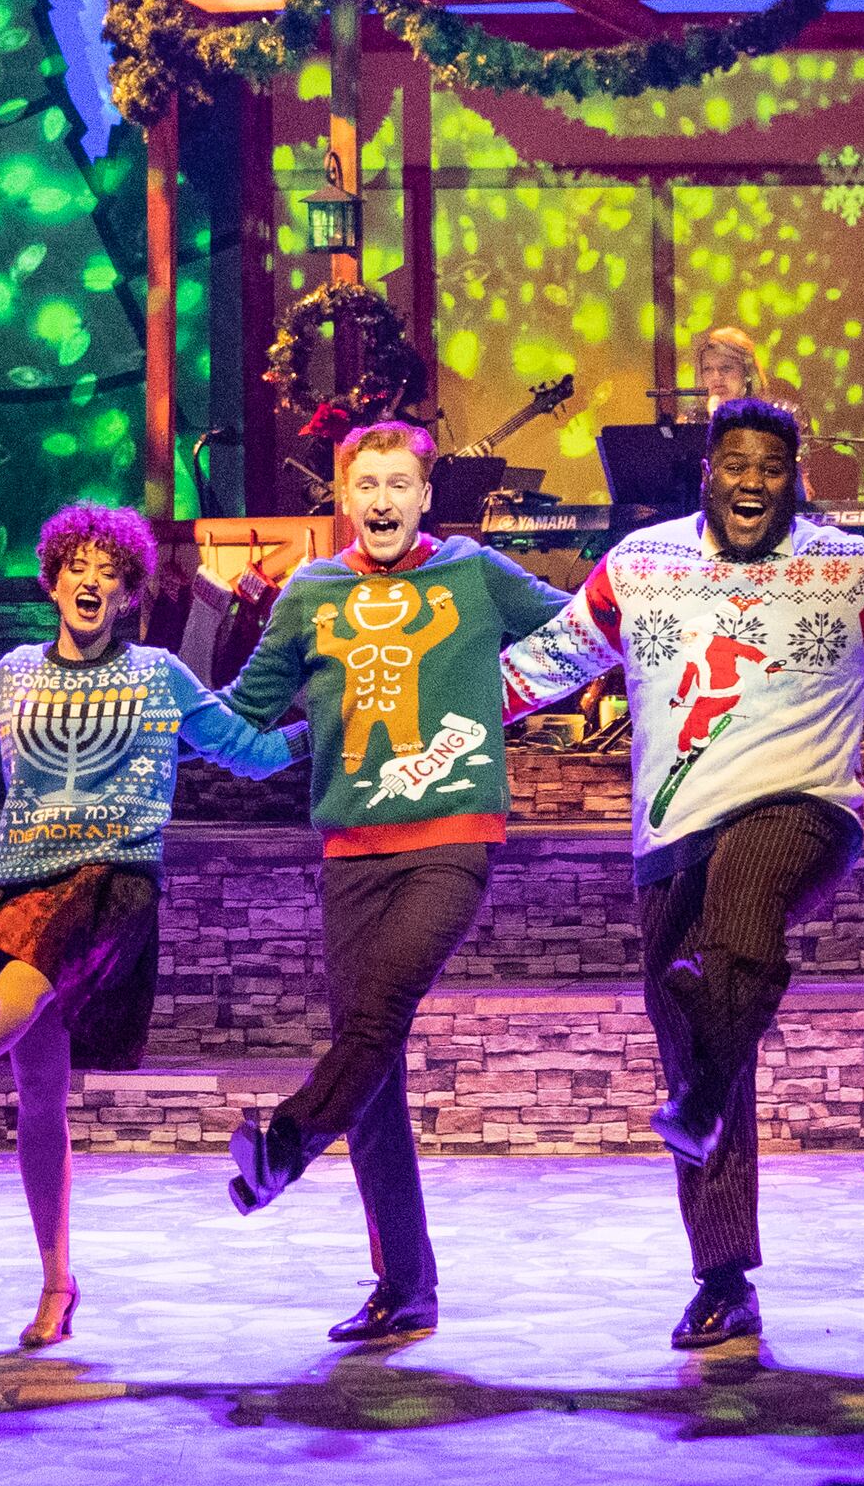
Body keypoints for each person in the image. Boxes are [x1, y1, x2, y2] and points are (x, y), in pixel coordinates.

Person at [498, 396, 864, 1350]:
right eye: (736, 465)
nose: (753, 482)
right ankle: (723, 1275)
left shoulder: (850, 572)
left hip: (804, 810)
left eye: (772, 468)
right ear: (707, 470)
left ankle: (702, 1092)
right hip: (671, 835)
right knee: (694, 1032)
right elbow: (544, 665)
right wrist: (430, 724)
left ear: (795, 478)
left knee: (744, 906)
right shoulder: (640, 566)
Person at [0, 505, 302, 1349]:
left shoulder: (160, 676)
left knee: (22, 988)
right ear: (52, 578)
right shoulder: (13, 674)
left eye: (112, 571)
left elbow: (252, 750)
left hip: (113, 879)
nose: (92, 580)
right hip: (18, 881)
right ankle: (57, 1284)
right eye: (77, 566)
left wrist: (344, 731)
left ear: (130, 593)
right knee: (39, 1098)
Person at [215, 421, 575, 1342]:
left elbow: (581, 631)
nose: (380, 499)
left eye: (398, 483)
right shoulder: (313, 590)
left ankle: (286, 1146)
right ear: (345, 498)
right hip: (351, 853)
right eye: (364, 483)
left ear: (425, 496)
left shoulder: (473, 572)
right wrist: (156, 714)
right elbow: (244, 723)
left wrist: (505, 702)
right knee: (369, 1065)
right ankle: (404, 1289)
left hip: (451, 838)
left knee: (373, 1025)